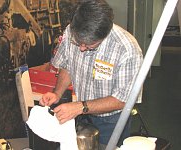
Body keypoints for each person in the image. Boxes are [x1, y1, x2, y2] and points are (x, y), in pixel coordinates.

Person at [40, 0, 143, 149]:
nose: (81, 49)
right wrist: (57, 93)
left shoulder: (127, 50)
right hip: (81, 114)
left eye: (89, 45)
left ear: (104, 35)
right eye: (78, 42)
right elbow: (67, 65)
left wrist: (80, 107)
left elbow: (124, 100)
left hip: (111, 120)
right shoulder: (71, 31)